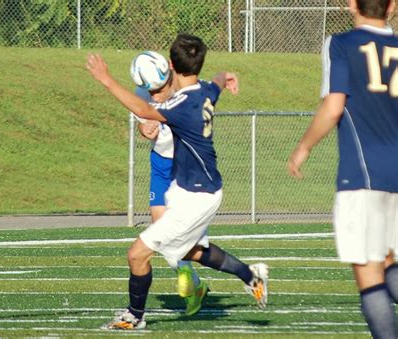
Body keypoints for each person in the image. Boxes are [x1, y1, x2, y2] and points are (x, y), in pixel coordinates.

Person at [87, 33, 269, 331]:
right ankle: (249, 274)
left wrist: (106, 79)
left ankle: (135, 316)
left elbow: (145, 110)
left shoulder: (182, 104)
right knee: (183, 250)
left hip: (198, 195)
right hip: (187, 188)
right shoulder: (206, 90)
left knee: (138, 253)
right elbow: (217, 80)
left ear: (170, 64)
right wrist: (227, 75)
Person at [288, 1, 398, 337]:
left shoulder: (341, 43)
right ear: (392, 6)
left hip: (363, 175)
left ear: (351, 4)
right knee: (390, 261)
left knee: (369, 273)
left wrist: (304, 147)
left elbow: (334, 106)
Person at [132, 51, 206, 316]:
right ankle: (192, 281)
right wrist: (145, 129)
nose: (153, 93)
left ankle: (241, 274)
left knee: (182, 234)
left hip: (185, 163)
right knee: (160, 229)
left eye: (157, 88)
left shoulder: (186, 86)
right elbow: (144, 124)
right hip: (161, 163)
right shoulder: (142, 91)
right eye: (148, 89)